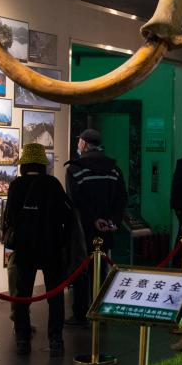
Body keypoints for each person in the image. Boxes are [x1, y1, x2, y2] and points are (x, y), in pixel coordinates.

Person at [3, 143, 74, 356]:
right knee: (55, 295)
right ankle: (56, 339)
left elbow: (9, 217)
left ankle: (22, 339)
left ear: (24, 164)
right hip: (51, 246)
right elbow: (67, 214)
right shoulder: (52, 184)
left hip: (25, 247)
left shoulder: (16, 185)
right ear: (43, 164)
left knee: (22, 295)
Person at [65, 129, 127, 325]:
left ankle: (80, 313)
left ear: (83, 144)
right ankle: (100, 310)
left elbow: (75, 201)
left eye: (79, 142)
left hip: (83, 231)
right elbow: (121, 198)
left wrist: (93, 219)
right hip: (106, 229)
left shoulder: (75, 169)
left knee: (81, 270)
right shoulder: (114, 169)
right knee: (101, 269)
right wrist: (112, 220)